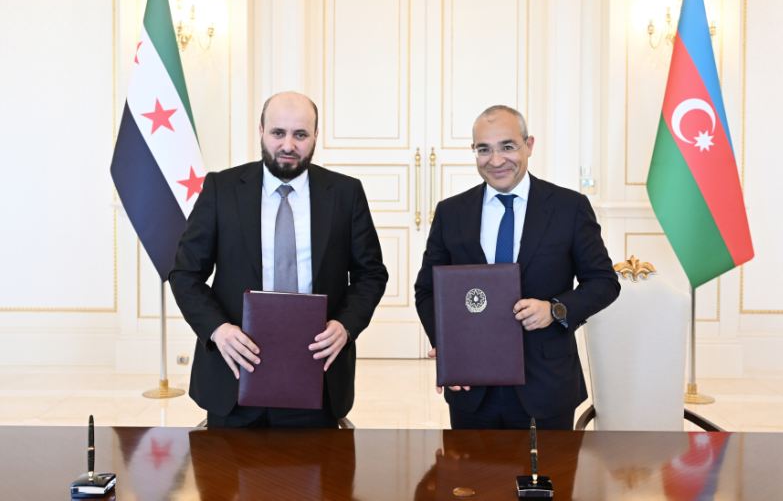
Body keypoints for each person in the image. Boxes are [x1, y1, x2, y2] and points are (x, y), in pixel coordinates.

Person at [170, 91, 388, 428]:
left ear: (316, 135)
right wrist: (217, 330)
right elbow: (185, 273)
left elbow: (371, 274)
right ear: (261, 131)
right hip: (234, 376)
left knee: (316, 465)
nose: (288, 145)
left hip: (319, 377)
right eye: (278, 133)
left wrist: (345, 326)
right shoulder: (221, 189)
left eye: (300, 134)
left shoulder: (346, 193)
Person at [414, 105, 620, 430]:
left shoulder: (569, 207)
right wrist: (449, 350)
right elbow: (427, 291)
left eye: (507, 146)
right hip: (471, 387)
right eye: (484, 149)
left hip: (547, 385)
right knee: (470, 466)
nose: (496, 160)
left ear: (529, 145)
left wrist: (554, 310)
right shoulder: (451, 212)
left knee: (552, 467)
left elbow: (604, 282)